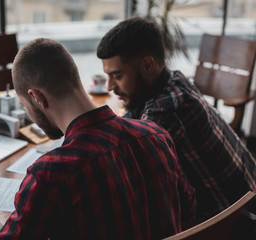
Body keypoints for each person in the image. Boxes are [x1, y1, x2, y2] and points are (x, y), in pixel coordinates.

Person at [0, 38, 196, 240]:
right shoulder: (157, 135)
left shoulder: (51, 173)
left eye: (25, 105)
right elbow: (188, 210)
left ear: (37, 97)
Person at [97, 16, 256, 221]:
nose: (109, 86)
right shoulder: (172, 79)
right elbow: (131, 118)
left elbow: (123, 167)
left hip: (229, 218)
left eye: (117, 76)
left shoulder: (168, 111)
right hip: (241, 193)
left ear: (148, 65)